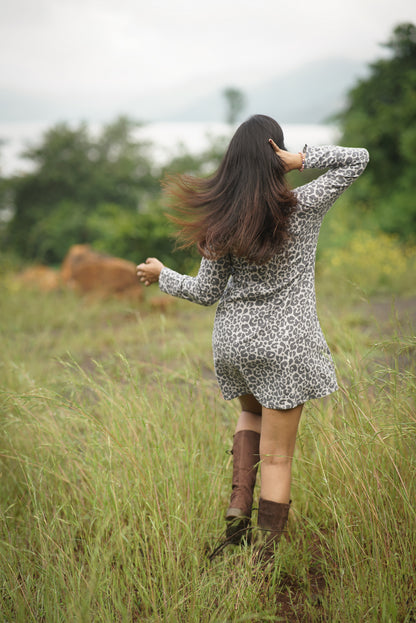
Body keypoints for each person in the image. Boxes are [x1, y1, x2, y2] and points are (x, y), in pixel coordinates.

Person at [137, 114, 369, 563]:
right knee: (278, 458)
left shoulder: (223, 224)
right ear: (273, 155)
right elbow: (358, 160)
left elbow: (205, 293)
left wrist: (162, 274)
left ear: (232, 164)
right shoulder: (303, 204)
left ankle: (238, 509)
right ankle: (262, 560)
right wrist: (300, 159)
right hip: (285, 348)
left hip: (235, 346)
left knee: (251, 415)